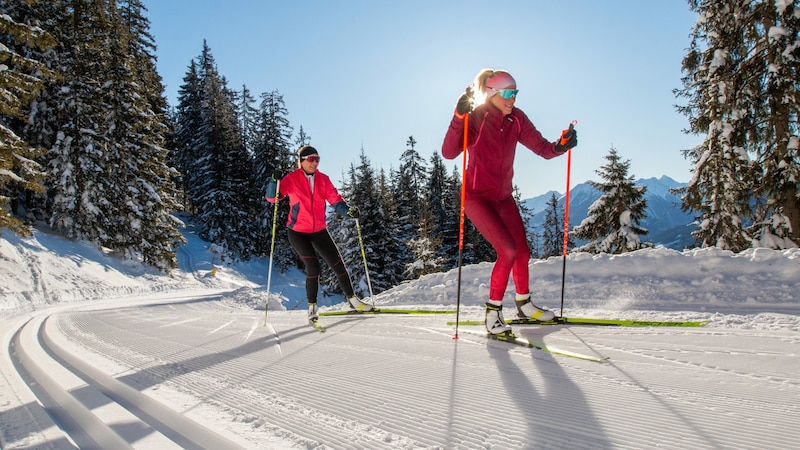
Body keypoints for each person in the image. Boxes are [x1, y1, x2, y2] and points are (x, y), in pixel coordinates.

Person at [441, 69, 578, 335]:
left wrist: (561, 145)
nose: (512, 98)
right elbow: (448, 152)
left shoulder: (516, 119)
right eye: (507, 93)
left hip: (503, 197)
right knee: (508, 251)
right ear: (491, 93)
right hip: (476, 198)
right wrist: (459, 116)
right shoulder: (476, 117)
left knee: (523, 252)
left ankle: (524, 304)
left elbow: (542, 148)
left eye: (515, 93)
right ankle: (492, 314)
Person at [266, 145, 373, 320]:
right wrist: (273, 181)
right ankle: (312, 307)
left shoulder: (323, 179)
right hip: (298, 232)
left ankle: (354, 301)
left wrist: (348, 211)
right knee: (313, 267)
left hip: (319, 230)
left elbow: (336, 201)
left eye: (317, 159)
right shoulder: (292, 179)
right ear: (301, 161)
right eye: (310, 159)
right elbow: (273, 198)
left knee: (338, 263)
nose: (315, 163)